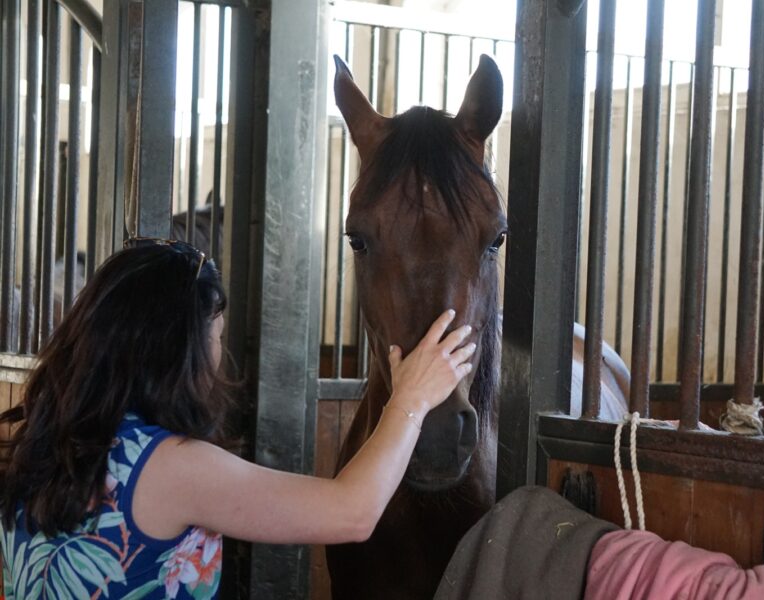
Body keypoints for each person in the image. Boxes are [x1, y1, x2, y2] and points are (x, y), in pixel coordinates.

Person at [0, 238, 475, 599]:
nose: (218, 352)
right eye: (215, 334)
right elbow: (351, 512)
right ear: (176, 348)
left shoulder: (42, 445)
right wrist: (410, 399)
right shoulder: (168, 467)